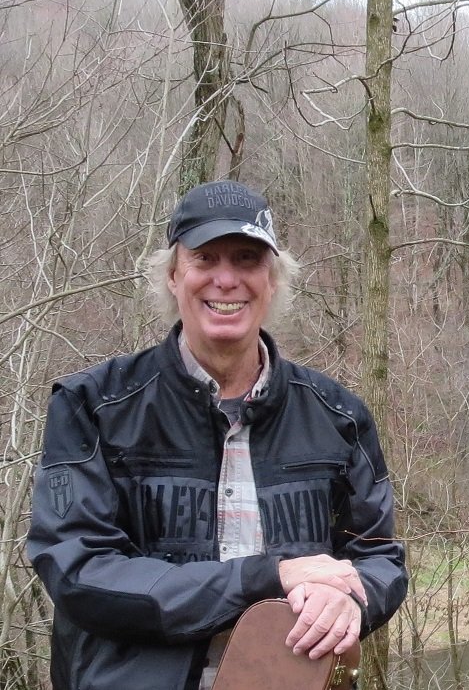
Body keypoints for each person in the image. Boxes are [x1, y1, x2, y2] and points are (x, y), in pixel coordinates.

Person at [27, 180, 409, 689]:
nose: (226, 280)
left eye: (248, 259)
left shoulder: (337, 416)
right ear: (172, 276)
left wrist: (349, 598)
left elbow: (379, 556)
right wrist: (267, 576)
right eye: (205, 259)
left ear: (273, 280)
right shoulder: (93, 407)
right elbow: (80, 572)